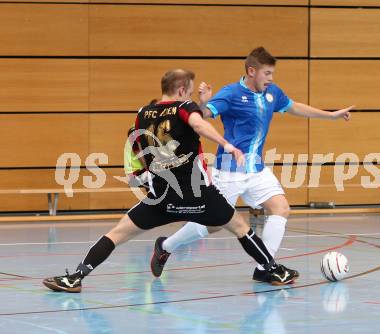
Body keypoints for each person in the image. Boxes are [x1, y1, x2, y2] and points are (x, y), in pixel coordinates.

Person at [42, 69, 297, 293]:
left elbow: (141, 146)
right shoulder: (185, 108)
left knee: (117, 233)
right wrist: (226, 144)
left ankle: (74, 277)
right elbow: (197, 124)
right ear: (182, 89)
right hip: (199, 195)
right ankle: (273, 269)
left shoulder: (142, 113)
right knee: (241, 228)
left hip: (162, 197)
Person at [150, 47, 354, 283]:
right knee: (213, 224)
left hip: (256, 169)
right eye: (267, 73)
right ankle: (165, 246)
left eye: (272, 74)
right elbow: (201, 117)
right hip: (229, 170)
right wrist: (203, 103)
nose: (271, 78)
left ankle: (264, 266)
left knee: (281, 208)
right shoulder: (231, 93)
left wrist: (331, 115)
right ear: (251, 71)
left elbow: (295, 107)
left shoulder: (272, 93)